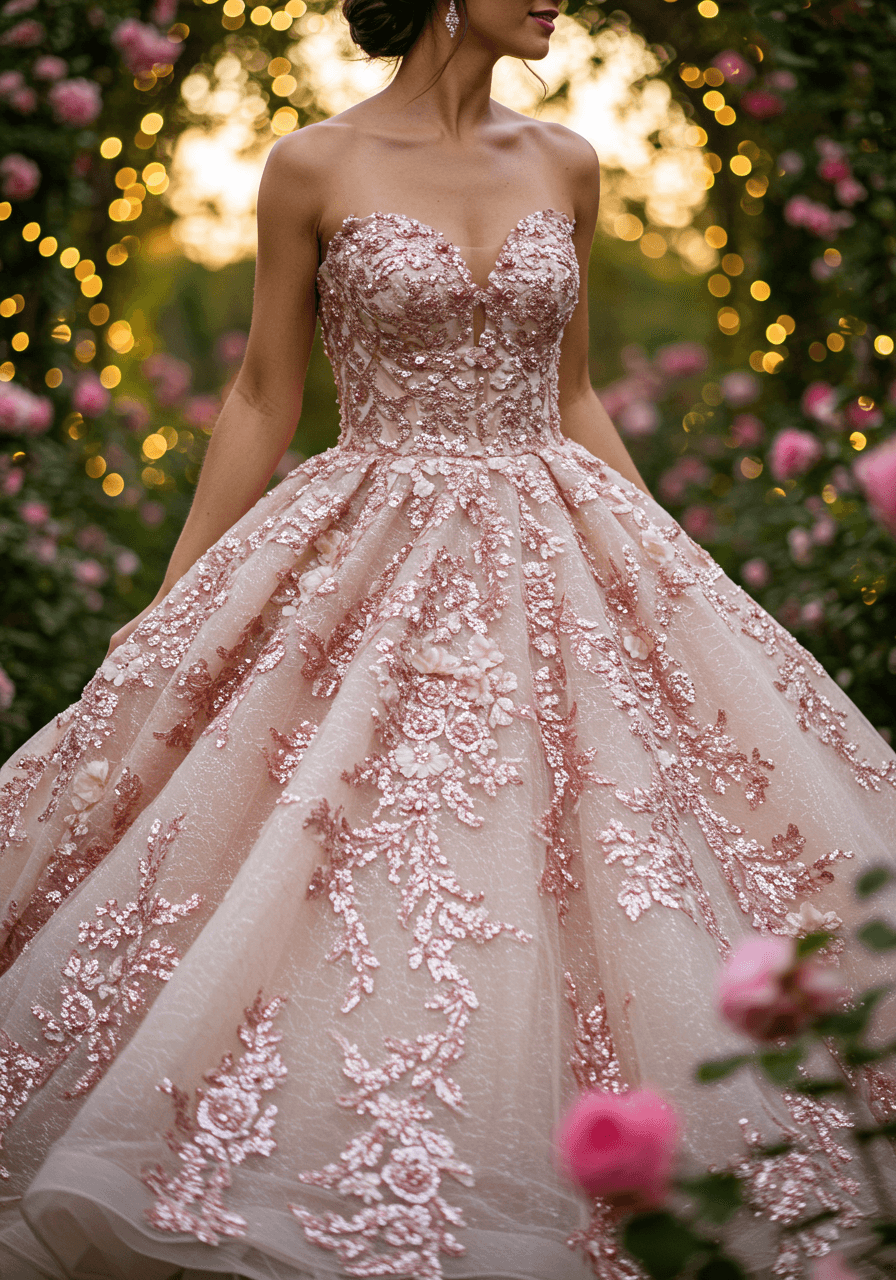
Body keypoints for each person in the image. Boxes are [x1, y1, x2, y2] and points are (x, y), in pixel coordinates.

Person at [0, 2, 894, 1277]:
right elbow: (264, 390)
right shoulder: (313, 162)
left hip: (554, 531)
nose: (559, 1)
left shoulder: (565, 160)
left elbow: (573, 389)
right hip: (368, 535)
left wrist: (661, 571)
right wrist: (177, 601)